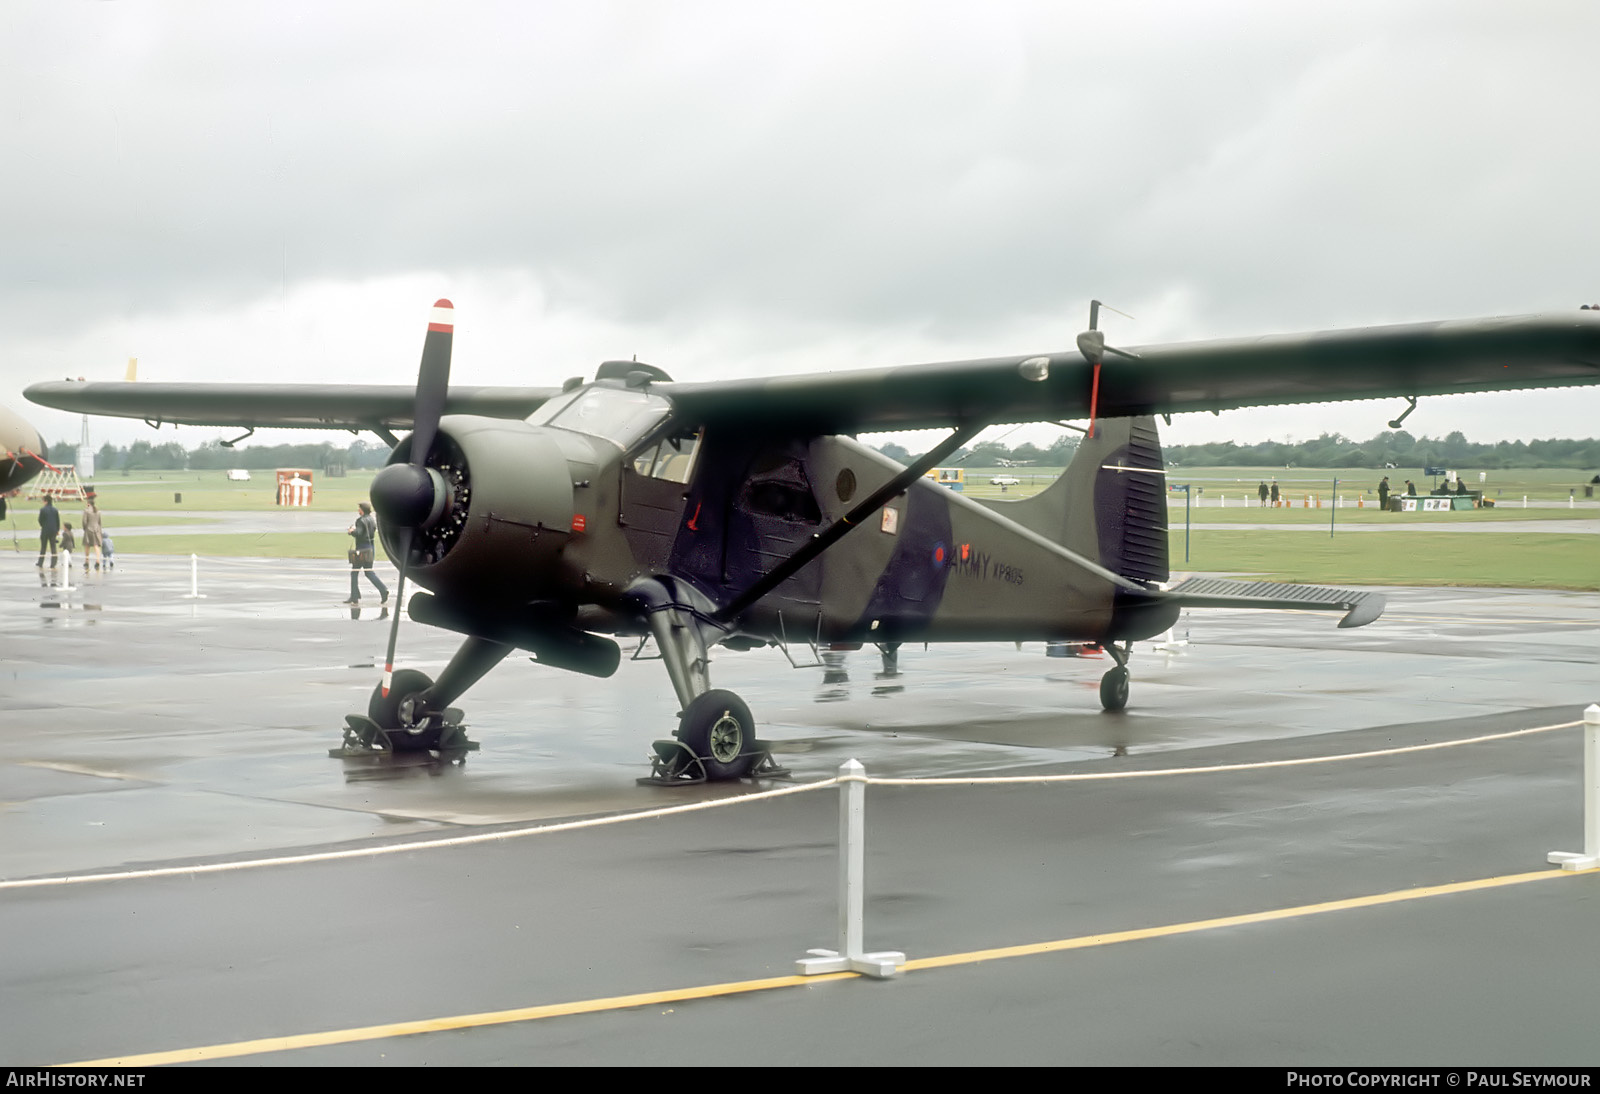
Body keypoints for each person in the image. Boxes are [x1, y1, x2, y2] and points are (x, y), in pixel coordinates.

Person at [345, 501, 388, 605]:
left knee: (354, 572)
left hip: (361, 549)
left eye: (359, 508)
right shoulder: (371, 519)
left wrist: (351, 531)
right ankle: (383, 590)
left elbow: (359, 533)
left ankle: (354, 597)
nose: (358, 510)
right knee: (369, 572)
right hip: (370, 547)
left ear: (362, 510)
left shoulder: (360, 520)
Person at [36, 494, 59, 567]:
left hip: (45, 530)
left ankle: (40, 562)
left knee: (43, 547)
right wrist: (57, 530)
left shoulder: (43, 510)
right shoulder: (55, 510)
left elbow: (40, 520)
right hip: (53, 530)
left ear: (45, 501)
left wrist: (43, 525)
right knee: (53, 547)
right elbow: (57, 520)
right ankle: (53, 563)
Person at [82, 497, 104, 571]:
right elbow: (99, 522)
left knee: (87, 545)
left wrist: (85, 528)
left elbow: (84, 521)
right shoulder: (98, 511)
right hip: (96, 529)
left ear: (88, 504)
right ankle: (97, 561)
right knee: (96, 546)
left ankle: (87, 561)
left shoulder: (86, 511)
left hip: (88, 529)